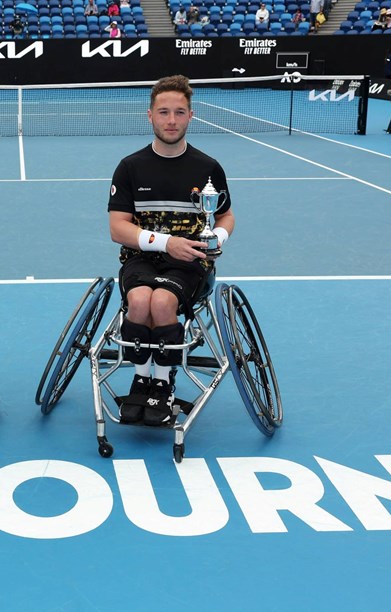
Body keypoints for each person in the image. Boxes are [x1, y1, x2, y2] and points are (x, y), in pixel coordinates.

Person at [107, 75, 235, 427]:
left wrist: (216, 241)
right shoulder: (130, 166)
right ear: (150, 115)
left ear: (191, 116)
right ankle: (141, 378)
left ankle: (161, 384)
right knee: (139, 301)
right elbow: (118, 228)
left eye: (179, 112)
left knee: (162, 303)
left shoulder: (208, 168)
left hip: (191, 263)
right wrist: (167, 243)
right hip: (141, 259)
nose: (171, 120)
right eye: (164, 112)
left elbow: (224, 215)